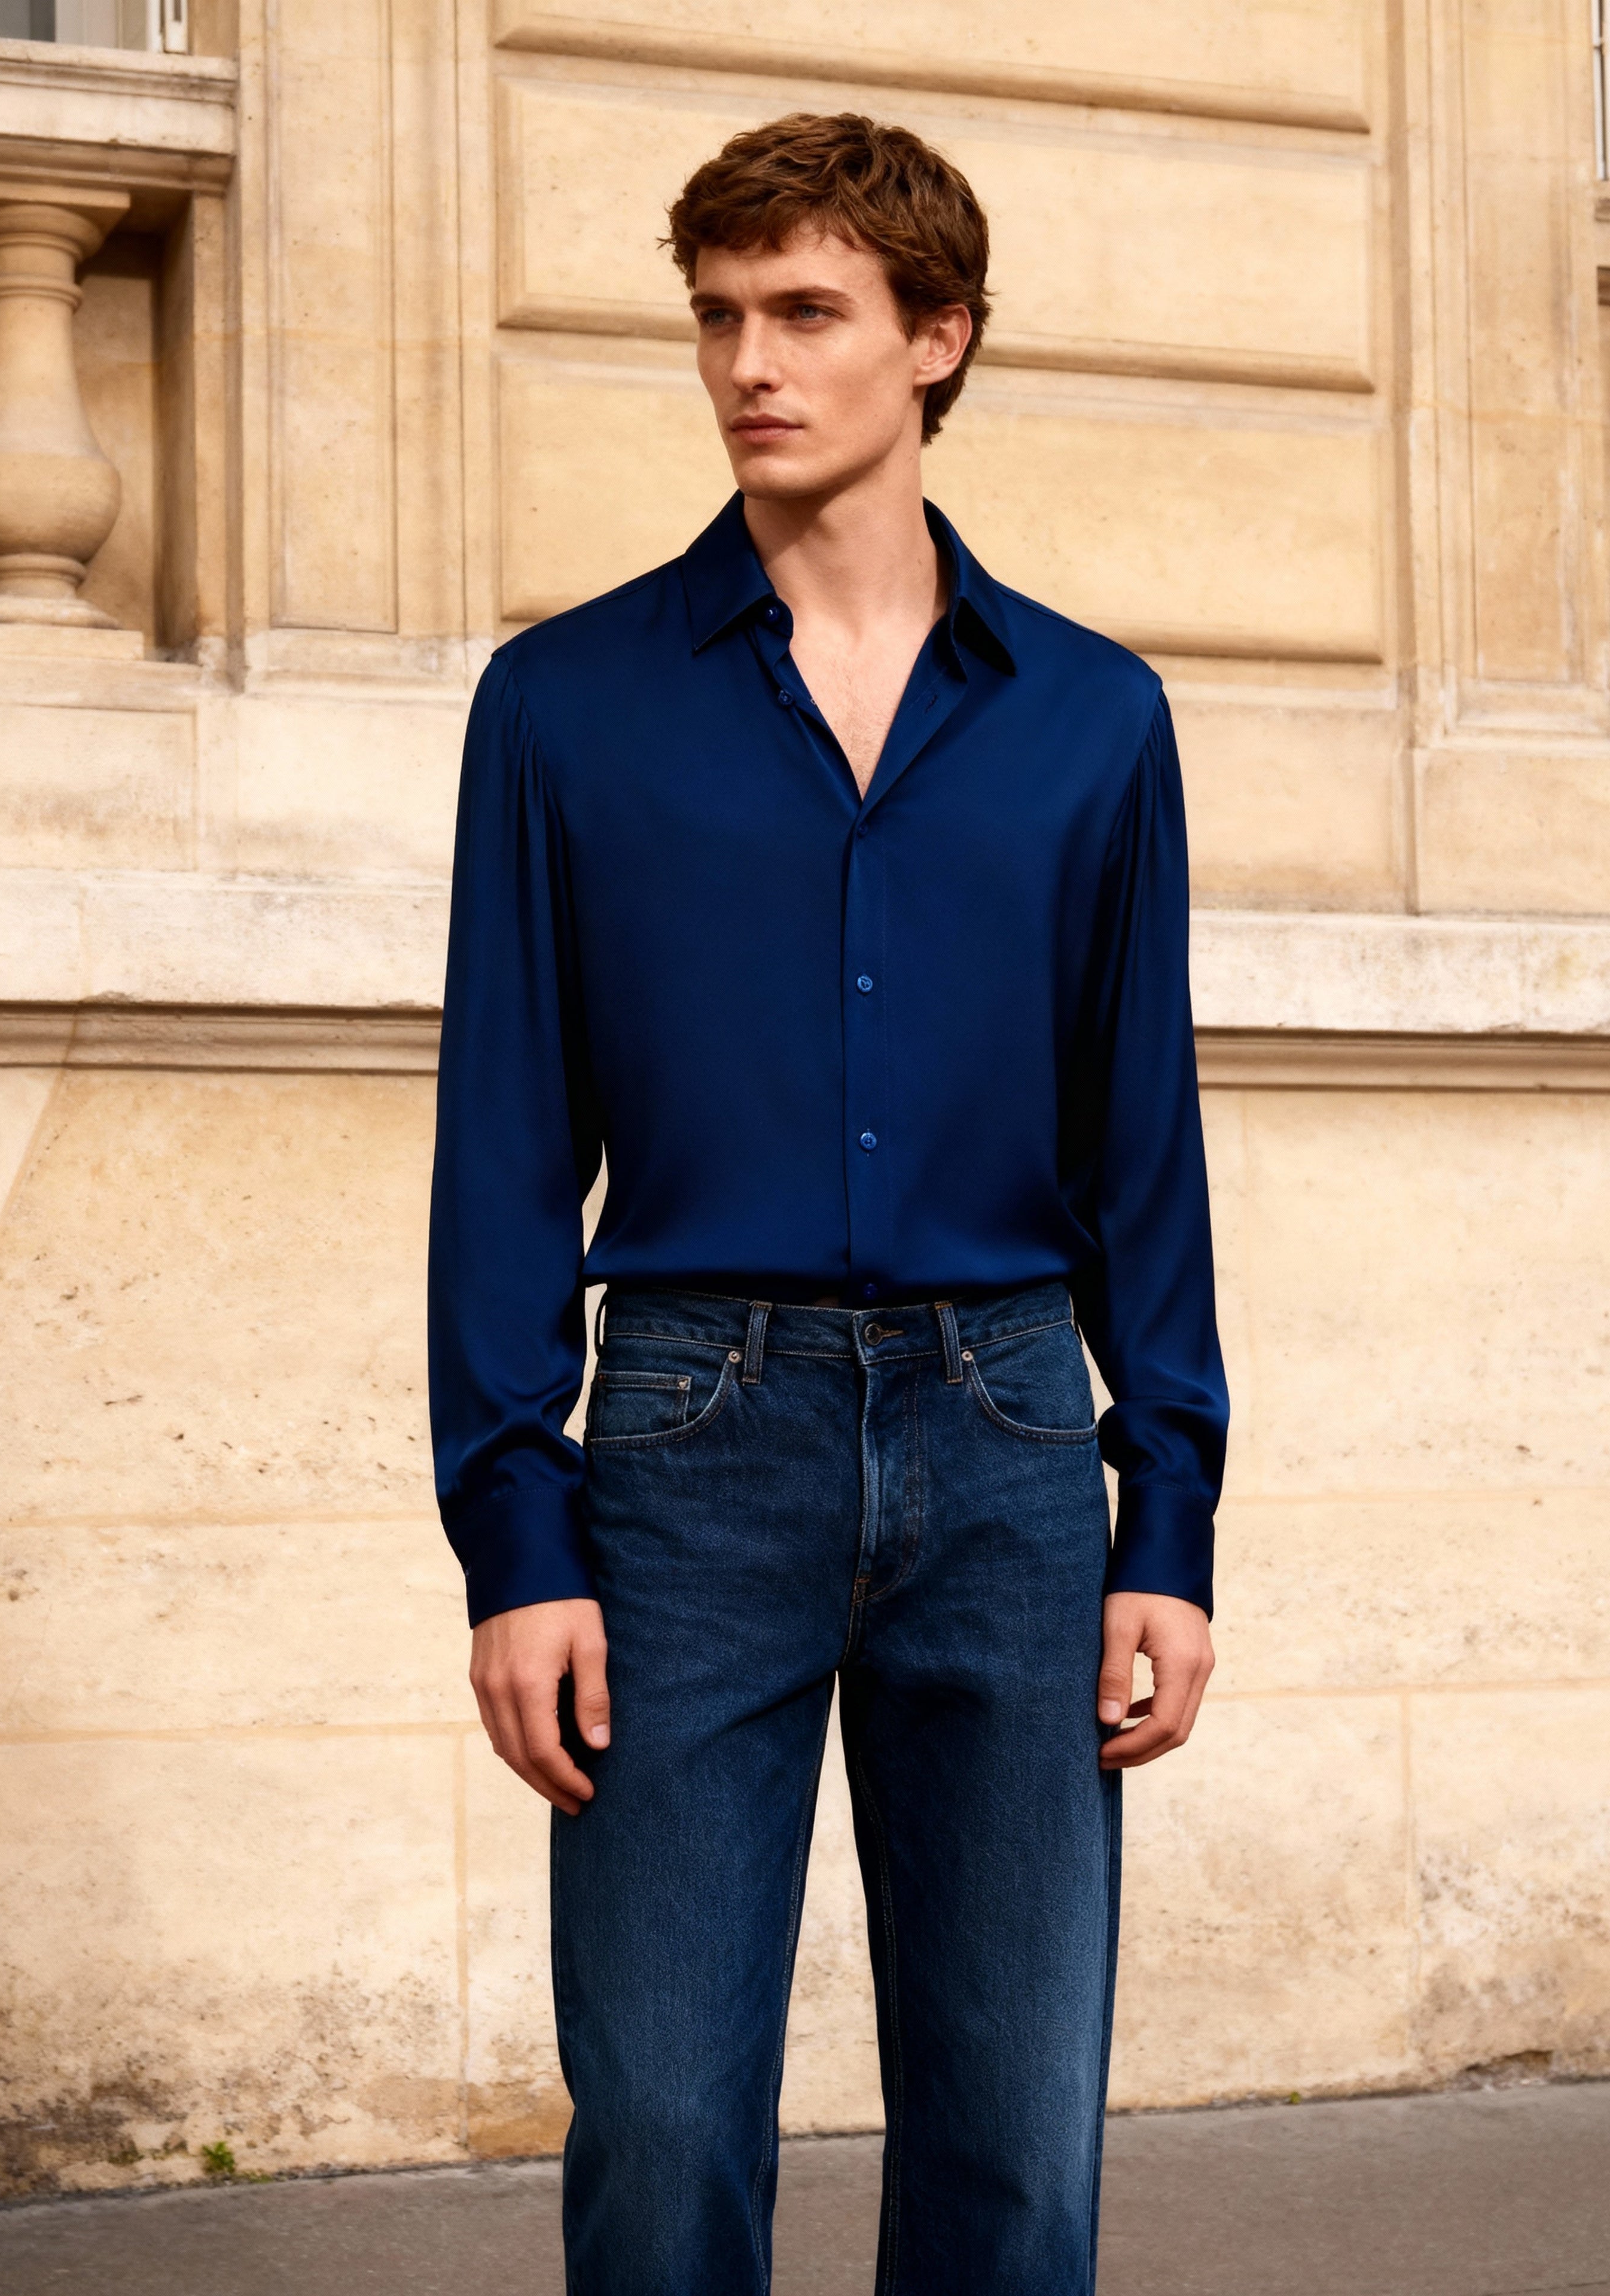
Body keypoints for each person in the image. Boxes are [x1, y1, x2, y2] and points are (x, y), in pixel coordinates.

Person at [428, 110, 1227, 2296]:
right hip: (693, 1443)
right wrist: (519, 1534)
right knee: (670, 2127)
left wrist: (1169, 1518)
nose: (748, 366)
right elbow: (502, 1146)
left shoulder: (1089, 720)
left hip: (1007, 1441)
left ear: (935, 340)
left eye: (806, 314)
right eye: (717, 317)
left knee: (1015, 2148)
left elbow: (1138, 1148)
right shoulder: (569, 706)